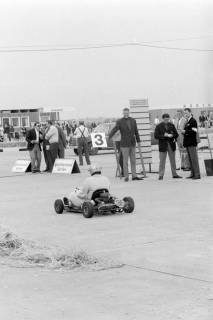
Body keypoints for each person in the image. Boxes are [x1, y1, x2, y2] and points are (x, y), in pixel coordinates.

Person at [109, 107, 143, 182]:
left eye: (127, 113)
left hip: (132, 143)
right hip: (124, 144)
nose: (126, 114)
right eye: (125, 113)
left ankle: (134, 176)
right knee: (125, 161)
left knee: (133, 160)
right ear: (123, 113)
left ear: (129, 113)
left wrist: (138, 141)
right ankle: (126, 176)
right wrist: (110, 136)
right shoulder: (119, 121)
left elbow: (136, 131)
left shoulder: (133, 120)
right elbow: (115, 129)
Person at [154, 113, 182, 180]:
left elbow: (176, 134)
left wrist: (172, 135)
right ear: (163, 119)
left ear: (169, 118)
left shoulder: (172, 125)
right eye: (165, 119)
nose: (166, 120)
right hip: (163, 145)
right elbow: (156, 136)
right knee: (162, 161)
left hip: (171, 145)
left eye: (167, 118)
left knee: (173, 160)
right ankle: (161, 175)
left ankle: (174, 174)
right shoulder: (158, 126)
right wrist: (165, 136)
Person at [182, 108, 201, 179]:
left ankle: (197, 174)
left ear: (190, 112)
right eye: (185, 113)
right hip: (188, 143)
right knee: (190, 160)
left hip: (192, 143)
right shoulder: (187, 121)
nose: (185, 114)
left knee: (194, 159)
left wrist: (185, 132)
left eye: (186, 113)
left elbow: (194, 131)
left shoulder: (193, 121)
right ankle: (192, 173)